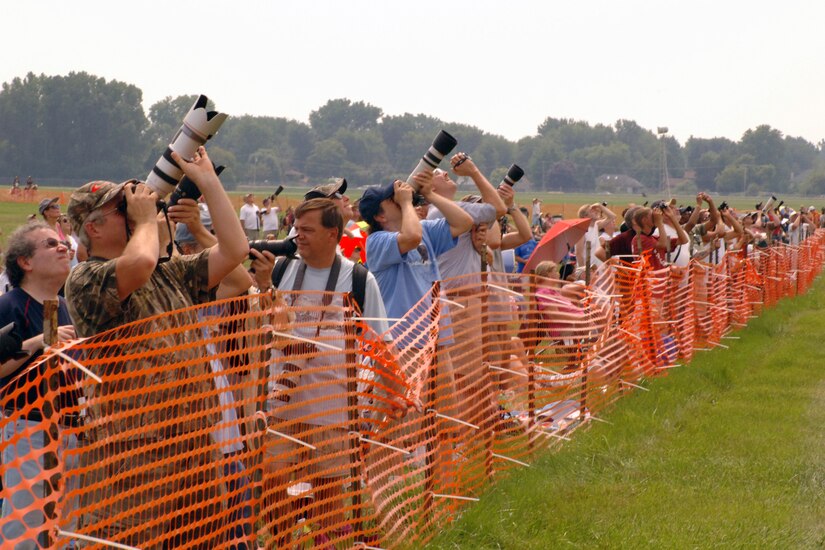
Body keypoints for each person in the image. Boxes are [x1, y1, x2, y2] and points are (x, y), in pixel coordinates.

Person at [64, 146, 249, 547]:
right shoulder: (85, 278)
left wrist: (208, 182)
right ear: (93, 228)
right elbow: (139, 263)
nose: (132, 210)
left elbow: (235, 251)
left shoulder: (170, 273)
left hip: (193, 442)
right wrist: (147, 219)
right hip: (134, 453)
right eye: (120, 210)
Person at [250, 198, 397, 547]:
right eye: (296, 228)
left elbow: (380, 342)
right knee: (270, 480)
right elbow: (258, 327)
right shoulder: (282, 271)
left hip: (333, 407)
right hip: (280, 401)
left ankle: (326, 541)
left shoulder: (359, 279)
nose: (297, 236)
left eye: (307, 230)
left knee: (329, 495)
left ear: (333, 234)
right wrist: (265, 286)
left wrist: (395, 393)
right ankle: (286, 540)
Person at [0, 222, 76, 548]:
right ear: (25, 263)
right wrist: (36, 342)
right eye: (50, 244)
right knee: (27, 527)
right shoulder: (9, 305)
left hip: (70, 427)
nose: (63, 248)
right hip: (27, 428)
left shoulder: (59, 306)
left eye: (62, 243)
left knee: (65, 526)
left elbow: (56, 357)